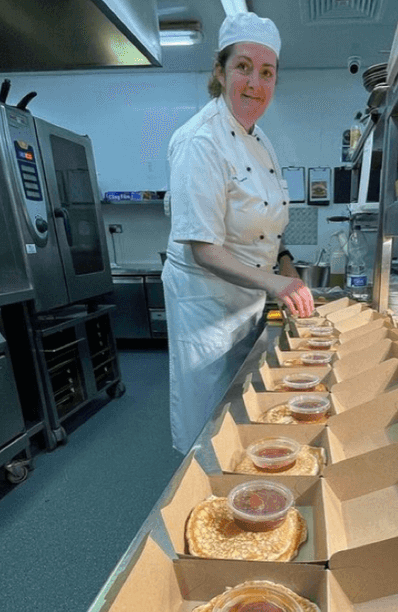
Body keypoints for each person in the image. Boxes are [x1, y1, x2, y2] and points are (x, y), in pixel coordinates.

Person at [163, 11, 315, 453]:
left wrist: (285, 265)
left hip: (246, 300)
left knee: (237, 407)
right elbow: (204, 251)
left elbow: (267, 225)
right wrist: (277, 284)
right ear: (219, 72)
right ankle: (197, 492)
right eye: (243, 67)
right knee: (207, 418)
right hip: (206, 304)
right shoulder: (201, 141)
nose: (255, 83)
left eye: (267, 72)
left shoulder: (259, 138)